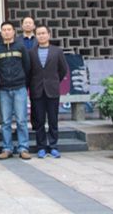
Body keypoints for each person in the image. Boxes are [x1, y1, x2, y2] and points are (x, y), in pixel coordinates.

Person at [28, 25, 68, 159]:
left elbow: (63, 70)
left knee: (53, 120)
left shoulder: (57, 51)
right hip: (37, 90)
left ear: (49, 35)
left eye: (43, 33)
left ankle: (53, 146)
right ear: (36, 36)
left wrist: (54, 81)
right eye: (38, 34)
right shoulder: (31, 52)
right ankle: (41, 147)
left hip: (52, 90)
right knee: (39, 121)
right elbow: (29, 72)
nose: (41, 36)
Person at [0, 21, 31, 160]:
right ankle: (7, 148)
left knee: (21, 120)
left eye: (9, 29)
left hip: (19, 88)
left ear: (14, 32)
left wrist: (23, 83)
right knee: (5, 121)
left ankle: (23, 148)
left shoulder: (21, 48)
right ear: (1, 32)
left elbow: (27, 67)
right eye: (4, 30)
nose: (7, 32)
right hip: (4, 90)